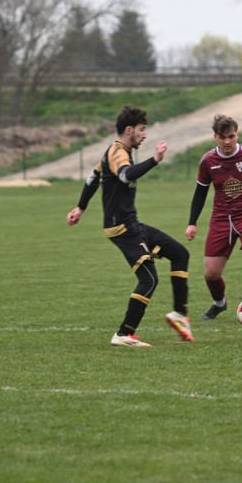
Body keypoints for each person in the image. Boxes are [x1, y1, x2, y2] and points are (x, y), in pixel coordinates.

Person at [67, 104, 193, 347]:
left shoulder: (115, 151)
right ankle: (124, 334)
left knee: (179, 253)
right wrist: (155, 160)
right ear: (129, 130)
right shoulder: (118, 153)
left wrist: (80, 208)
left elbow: (93, 178)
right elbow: (125, 175)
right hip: (122, 227)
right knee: (148, 280)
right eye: (142, 130)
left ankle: (179, 314)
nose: (145, 135)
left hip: (131, 224)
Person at [185, 114, 242, 323]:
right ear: (215, 137)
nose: (227, 141)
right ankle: (219, 304)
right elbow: (200, 193)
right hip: (221, 218)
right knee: (211, 274)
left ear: (237, 135)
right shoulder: (208, 160)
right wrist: (192, 222)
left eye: (231, 136)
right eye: (222, 137)